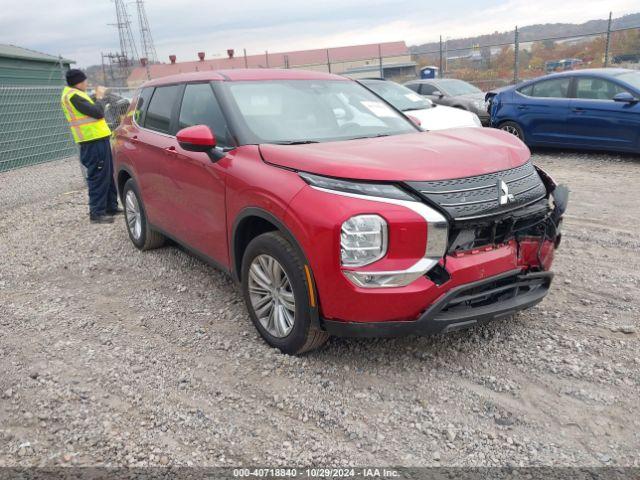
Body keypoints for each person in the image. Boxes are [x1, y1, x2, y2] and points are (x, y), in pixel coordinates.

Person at [60, 69, 122, 224]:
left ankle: (111, 206)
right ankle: (97, 212)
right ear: (78, 82)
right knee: (98, 176)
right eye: (84, 80)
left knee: (107, 174)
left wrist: (95, 96)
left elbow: (89, 107)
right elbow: (97, 112)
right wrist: (100, 98)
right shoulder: (73, 96)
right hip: (92, 142)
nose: (86, 83)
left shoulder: (76, 94)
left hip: (98, 139)